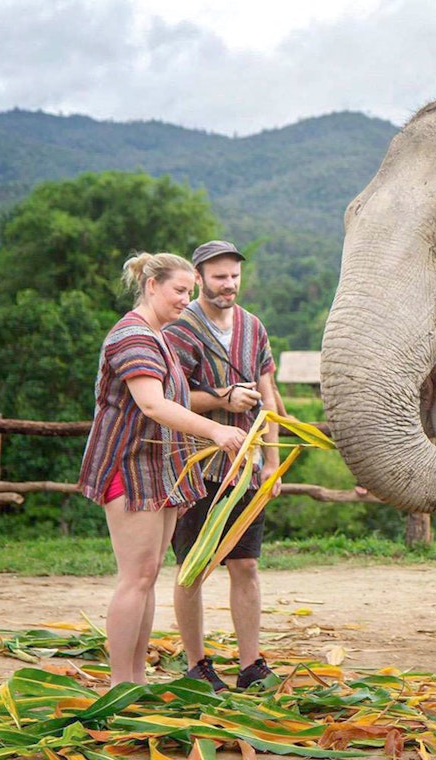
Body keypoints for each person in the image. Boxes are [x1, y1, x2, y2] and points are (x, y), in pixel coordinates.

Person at [78, 251, 247, 687]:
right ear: (151, 286)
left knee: (148, 575)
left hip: (161, 468)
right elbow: (152, 404)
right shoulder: (132, 337)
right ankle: (120, 685)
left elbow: (176, 398)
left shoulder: (159, 336)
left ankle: (136, 679)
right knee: (135, 578)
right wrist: (215, 431)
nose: (185, 300)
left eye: (189, 292)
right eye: (179, 291)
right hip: (129, 466)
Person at [164, 239, 283, 691]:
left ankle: (251, 664)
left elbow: (268, 397)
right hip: (197, 465)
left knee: (246, 564)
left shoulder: (255, 328)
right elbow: (169, 396)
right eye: (219, 277)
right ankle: (197, 664)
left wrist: (271, 463)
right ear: (198, 278)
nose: (229, 284)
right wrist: (221, 398)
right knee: (193, 565)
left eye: (234, 276)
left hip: (247, 467)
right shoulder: (179, 330)